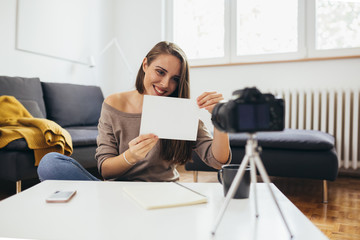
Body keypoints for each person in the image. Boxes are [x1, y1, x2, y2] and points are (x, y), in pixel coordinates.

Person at [37, 41, 231, 182]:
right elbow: (105, 170)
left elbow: (217, 161)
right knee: (50, 163)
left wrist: (221, 118)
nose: (165, 84)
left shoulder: (178, 110)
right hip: (118, 192)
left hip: (163, 193)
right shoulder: (113, 103)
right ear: (145, 65)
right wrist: (131, 156)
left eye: (175, 79)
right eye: (160, 72)